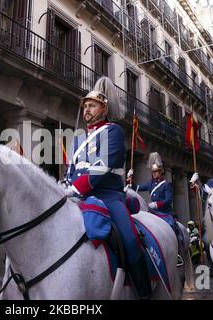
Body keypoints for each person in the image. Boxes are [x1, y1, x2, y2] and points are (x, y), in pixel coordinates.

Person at [64, 76, 152, 299]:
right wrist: (65, 185)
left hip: (108, 196)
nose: (86, 110)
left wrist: (76, 188)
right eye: (85, 106)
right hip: (79, 196)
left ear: (103, 108)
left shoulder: (113, 132)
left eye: (91, 105)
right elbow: (71, 168)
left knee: (130, 240)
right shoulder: (79, 138)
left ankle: (144, 293)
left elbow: (103, 166)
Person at [126, 152, 184, 266]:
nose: (154, 174)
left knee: (171, 226)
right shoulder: (150, 184)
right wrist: (130, 179)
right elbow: (137, 187)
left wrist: (157, 204)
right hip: (152, 212)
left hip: (164, 212)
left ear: (161, 171)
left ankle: (177, 254)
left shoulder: (166, 184)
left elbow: (168, 199)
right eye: (153, 172)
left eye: (156, 171)